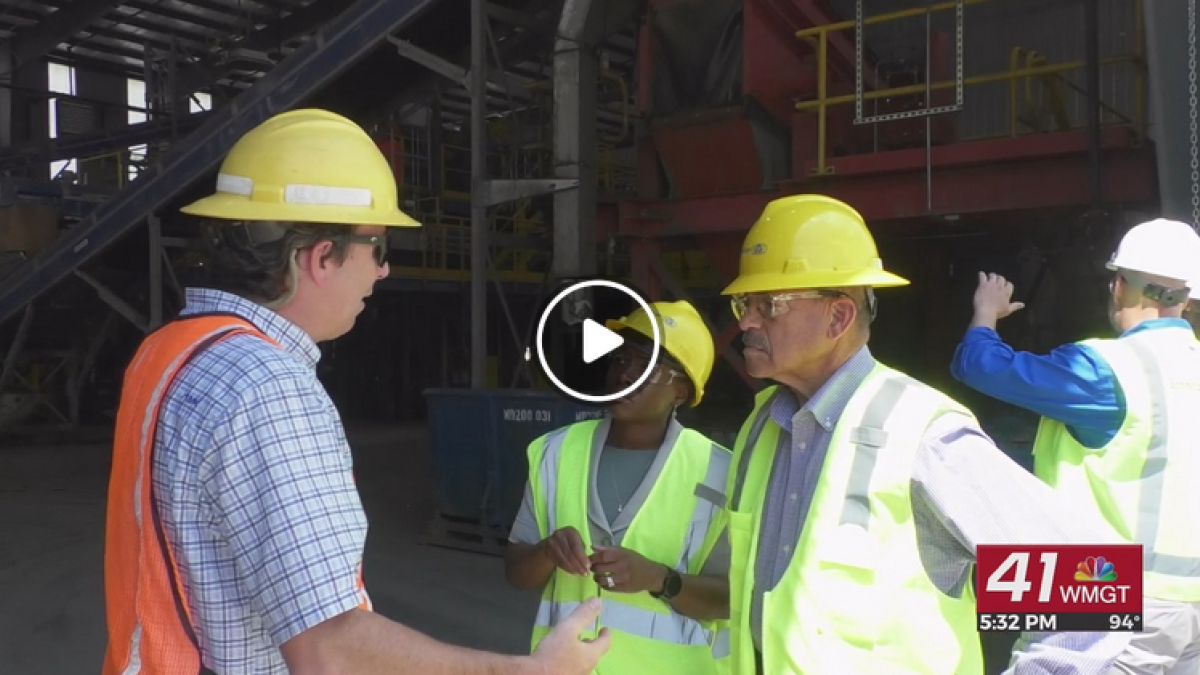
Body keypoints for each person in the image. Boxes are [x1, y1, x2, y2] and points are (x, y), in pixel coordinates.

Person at [101, 108, 609, 675]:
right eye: (379, 248)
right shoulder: (270, 390)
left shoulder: (168, 351)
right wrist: (525, 672)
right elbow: (329, 647)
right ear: (321, 256)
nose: (384, 272)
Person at [719, 193, 1133, 675]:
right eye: (743, 305)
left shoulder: (921, 436)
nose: (747, 321)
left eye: (768, 305)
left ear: (838, 317)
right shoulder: (762, 427)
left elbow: (1091, 590)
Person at [951, 217, 1200, 675]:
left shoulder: (1108, 370)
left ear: (1120, 285)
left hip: (1108, 586)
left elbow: (979, 366)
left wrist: (986, 314)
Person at [505, 299, 732, 674]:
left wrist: (660, 579)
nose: (626, 376)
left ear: (681, 391)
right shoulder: (556, 452)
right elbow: (516, 572)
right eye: (621, 360)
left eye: (649, 368)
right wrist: (547, 551)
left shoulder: (718, 472)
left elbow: (729, 599)